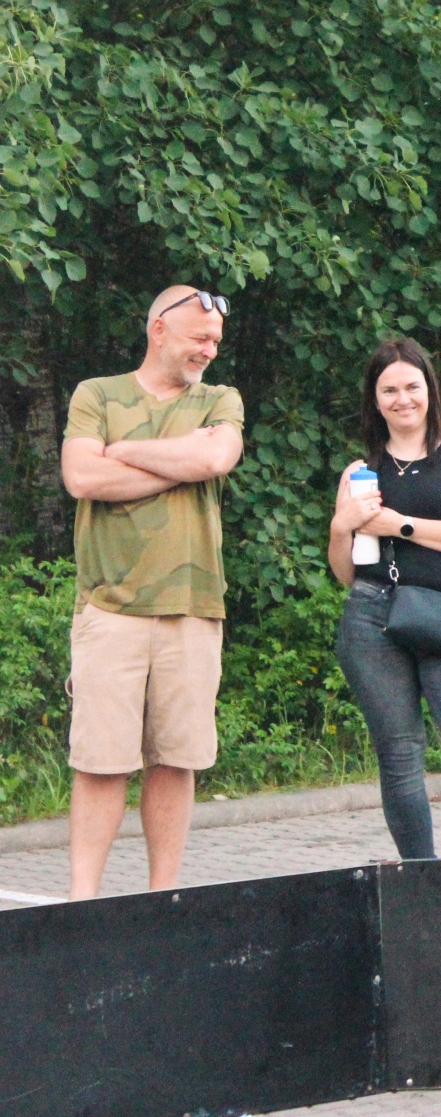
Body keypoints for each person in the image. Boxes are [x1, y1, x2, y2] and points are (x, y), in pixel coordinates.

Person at [59, 286, 245, 899]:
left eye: (215, 341)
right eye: (199, 338)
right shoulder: (97, 394)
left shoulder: (219, 399)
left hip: (193, 609)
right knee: (100, 762)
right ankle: (82, 902)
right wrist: (176, 461)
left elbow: (215, 459)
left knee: (176, 759)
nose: (209, 351)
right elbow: (81, 475)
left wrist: (126, 452)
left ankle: (163, 899)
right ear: (158, 330)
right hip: (109, 608)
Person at [327, 337, 441, 858]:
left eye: (412, 386)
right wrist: (341, 526)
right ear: (374, 399)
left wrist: (399, 525)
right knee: (401, 757)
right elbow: (346, 572)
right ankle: (421, 876)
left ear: (430, 389)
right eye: (389, 390)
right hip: (373, 619)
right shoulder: (360, 472)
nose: (402, 399)